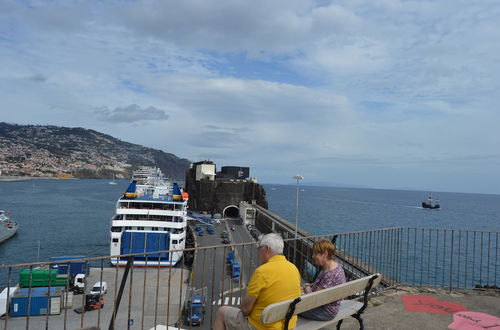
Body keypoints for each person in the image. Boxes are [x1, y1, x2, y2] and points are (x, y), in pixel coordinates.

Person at [214, 233, 301, 330]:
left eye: (259, 248)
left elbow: (245, 310)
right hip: (288, 326)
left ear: (267, 249)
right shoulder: (294, 269)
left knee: (221, 312)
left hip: (261, 327)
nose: (258, 252)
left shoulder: (262, 272)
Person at [300, 238, 346, 321]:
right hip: (329, 307)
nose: (312, 256)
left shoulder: (330, 275)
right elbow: (321, 288)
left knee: (291, 308)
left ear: (325, 254)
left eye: (315, 253)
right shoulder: (335, 267)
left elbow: (314, 299)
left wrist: (307, 288)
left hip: (325, 312)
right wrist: (309, 286)